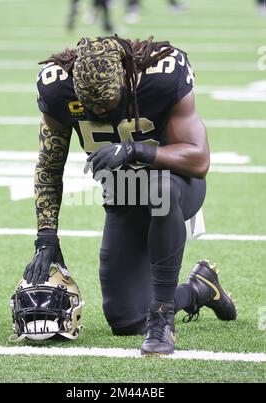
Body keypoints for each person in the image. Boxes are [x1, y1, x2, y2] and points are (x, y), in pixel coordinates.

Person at [23, 36, 237, 355]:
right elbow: (49, 165)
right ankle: (200, 289)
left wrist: (134, 149)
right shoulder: (57, 89)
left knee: (161, 189)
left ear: (126, 78)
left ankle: (163, 319)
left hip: (177, 187)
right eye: (91, 107)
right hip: (124, 196)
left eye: (108, 105)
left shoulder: (162, 75)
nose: (100, 113)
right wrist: (46, 237)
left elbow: (198, 159)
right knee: (127, 320)